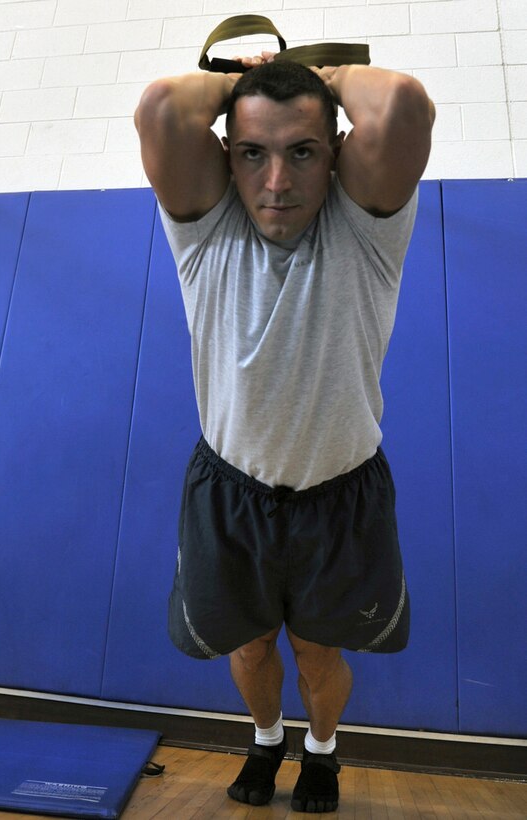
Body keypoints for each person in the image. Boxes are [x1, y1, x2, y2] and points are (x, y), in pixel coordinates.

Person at [135, 49, 435, 813]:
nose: (277, 182)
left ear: (334, 151)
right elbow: (165, 109)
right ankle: (267, 739)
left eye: (302, 151)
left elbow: (400, 104)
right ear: (227, 159)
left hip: (341, 495)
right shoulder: (205, 233)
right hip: (230, 492)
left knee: (316, 650)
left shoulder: (366, 231)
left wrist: (316, 76)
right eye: (253, 154)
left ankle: (323, 753)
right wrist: (244, 86)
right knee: (250, 646)